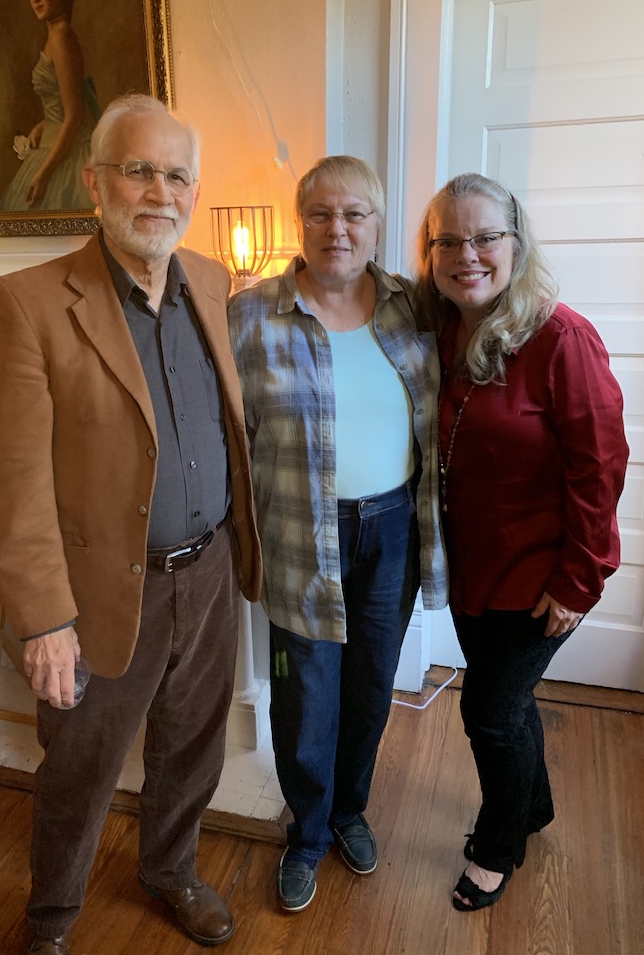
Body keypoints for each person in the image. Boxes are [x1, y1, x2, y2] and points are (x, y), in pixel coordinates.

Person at [0, 93, 261, 955]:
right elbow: (12, 481)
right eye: (139, 171)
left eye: (177, 175)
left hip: (209, 572)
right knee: (80, 766)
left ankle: (171, 872)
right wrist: (44, 622)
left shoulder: (210, 279)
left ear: (194, 191)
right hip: (99, 590)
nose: (160, 192)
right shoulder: (26, 302)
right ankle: (51, 919)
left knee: (193, 746)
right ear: (95, 182)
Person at [228, 156, 448, 913]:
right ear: (301, 222)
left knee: (370, 687)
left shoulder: (415, 308)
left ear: (378, 225)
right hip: (300, 535)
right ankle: (307, 833)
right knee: (305, 696)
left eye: (355, 214)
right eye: (321, 213)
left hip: (391, 531)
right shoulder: (250, 316)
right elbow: (228, 438)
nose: (338, 229)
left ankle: (349, 810)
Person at [412, 172, 628, 912]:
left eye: (484, 237)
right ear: (430, 252)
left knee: (488, 711)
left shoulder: (561, 337)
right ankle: (533, 806)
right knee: (509, 702)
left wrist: (578, 581)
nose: (466, 255)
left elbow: (601, 466)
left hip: (541, 578)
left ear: (515, 242)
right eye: (448, 241)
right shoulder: (443, 330)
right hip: (474, 569)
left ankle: (498, 845)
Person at [0, 0, 100, 213]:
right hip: (52, 143)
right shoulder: (55, 34)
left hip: (67, 154)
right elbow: (63, 105)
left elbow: (74, 117)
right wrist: (43, 126)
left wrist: (43, 174)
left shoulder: (62, 38)